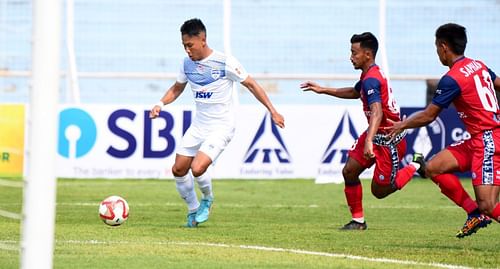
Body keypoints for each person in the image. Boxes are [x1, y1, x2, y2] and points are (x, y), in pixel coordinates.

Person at [150, 18, 285, 228]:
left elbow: (252, 84)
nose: (187, 50)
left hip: (222, 126)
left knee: (197, 168)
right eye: (184, 46)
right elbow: (177, 88)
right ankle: (193, 210)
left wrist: (273, 111)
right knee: (178, 169)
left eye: (190, 45)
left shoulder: (225, 62)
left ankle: (208, 198)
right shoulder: (186, 64)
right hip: (199, 125)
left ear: (202, 39)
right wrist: (160, 103)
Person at [387, 23, 499, 238]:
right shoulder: (479, 65)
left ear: (444, 46)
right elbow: (498, 83)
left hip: (488, 140)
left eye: (436, 47)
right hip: (479, 138)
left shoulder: (452, 78)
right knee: (433, 168)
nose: (437, 52)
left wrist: (401, 124)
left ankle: (480, 211)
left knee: (488, 205)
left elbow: (429, 115)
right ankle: (473, 213)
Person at [300, 32, 422, 230]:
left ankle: (416, 165)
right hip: (376, 134)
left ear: (367, 54)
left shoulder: (372, 79)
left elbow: (377, 111)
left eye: (354, 53)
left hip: (390, 139)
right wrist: (323, 89)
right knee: (349, 171)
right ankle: (358, 221)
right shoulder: (368, 75)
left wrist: (368, 141)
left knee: (380, 191)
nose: (350, 57)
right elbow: (355, 92)